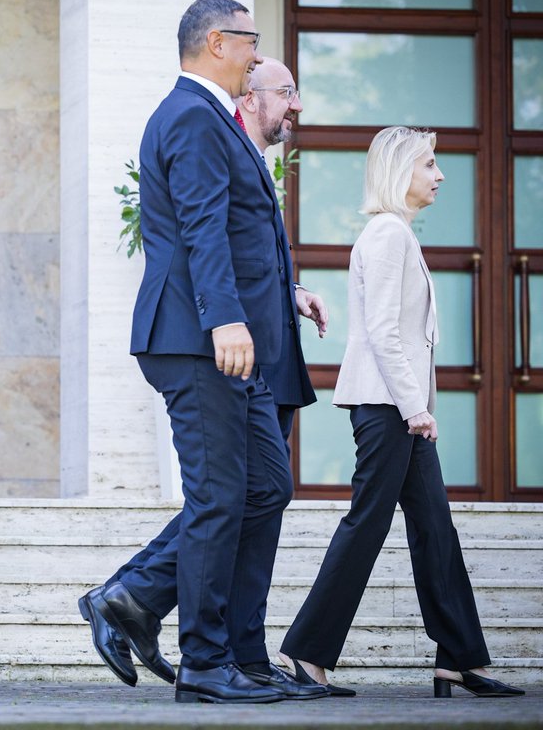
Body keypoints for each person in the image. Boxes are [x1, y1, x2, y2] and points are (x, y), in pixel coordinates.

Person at [79, 58, 329, 701]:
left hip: (227, 337)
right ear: (221, 43)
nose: (254, 56)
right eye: (249, 46)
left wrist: (286, 291)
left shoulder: (213, 120)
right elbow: (202, 230)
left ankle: (146, 604)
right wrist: (223, 319)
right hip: (198, 339)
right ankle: (205, 662)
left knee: (265, 486)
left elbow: (240, 239)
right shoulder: (194, 115)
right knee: (221, 496)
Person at [278, 126, 525, 700]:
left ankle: (456, 661)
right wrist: (417, 409)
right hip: (388, 405)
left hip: (394, 404)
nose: (439, 175)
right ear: (400, 172)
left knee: (435, 528)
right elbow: (386, 334)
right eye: (429, 165)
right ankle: (307, 654)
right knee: (367, 524)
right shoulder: (388, 235)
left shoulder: (395, 235)